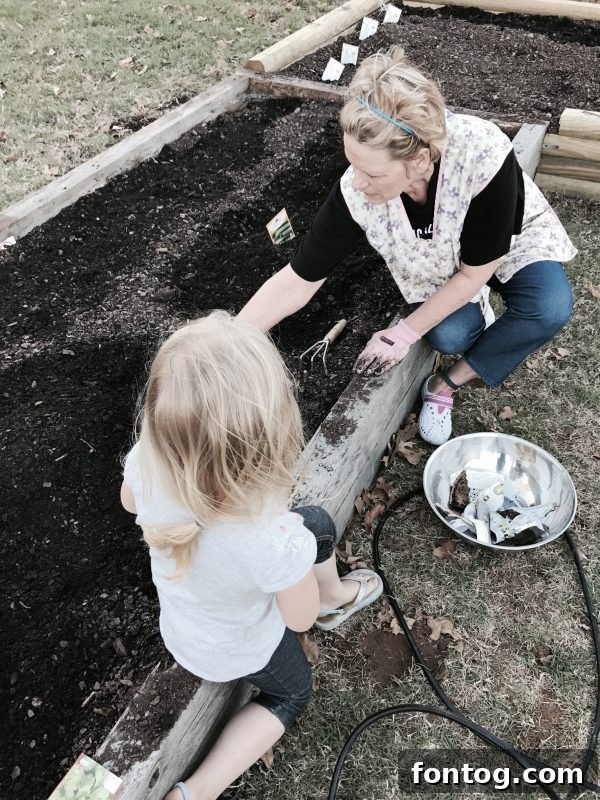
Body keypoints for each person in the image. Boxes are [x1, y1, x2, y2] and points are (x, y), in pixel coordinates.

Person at [238, 46, 575, 446]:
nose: (357, 182)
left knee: (548, 307)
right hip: (437, 258)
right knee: (450, 335)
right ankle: (457, 342)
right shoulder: (356, 190)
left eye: (371, 172)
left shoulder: (482, 155)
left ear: (418, 161)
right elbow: (298, 279)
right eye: (352, 164)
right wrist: (233, 337)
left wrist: (402, 333)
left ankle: (446, 383)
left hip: (506, 239)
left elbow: (473, 273)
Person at [120, 311, 383, 800]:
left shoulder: (145, 463)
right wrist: (293, 561)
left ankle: (337, 594)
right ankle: (195, 791)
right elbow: (299, 619)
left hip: (184, 623)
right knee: (291, 692)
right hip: (233, 650)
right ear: (269, 441)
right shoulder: (271, 539)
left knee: (319, 523)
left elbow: (129, 502)